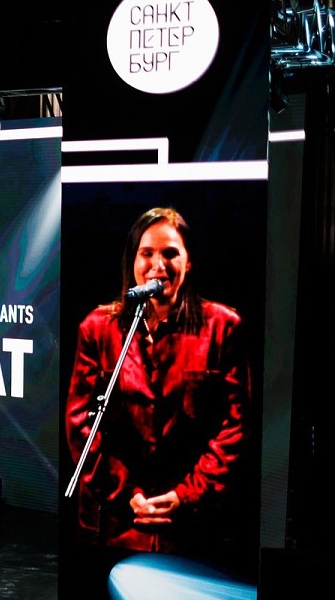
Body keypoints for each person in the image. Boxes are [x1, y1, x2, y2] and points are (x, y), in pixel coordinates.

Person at [65, 207, 251, 555]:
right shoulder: (98, 328)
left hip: (194, 527)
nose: (158, 265)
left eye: (170, 253)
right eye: (147, 253)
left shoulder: (223, 326)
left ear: (188, 262)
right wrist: (127, 494)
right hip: (114, 524)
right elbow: (80, 424)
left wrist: (186, 495)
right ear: (132, 261)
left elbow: (235, 426)